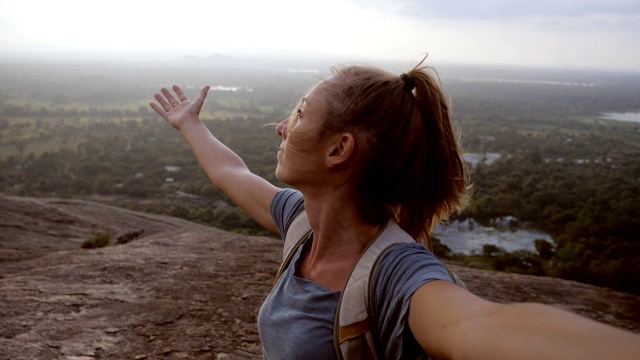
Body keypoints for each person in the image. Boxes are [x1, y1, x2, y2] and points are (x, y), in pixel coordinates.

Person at [150, 60, 640, 360]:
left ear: (339, 150)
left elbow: (478, 328)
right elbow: (232, 174)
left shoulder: (396, 276)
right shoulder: (301, 222)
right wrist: (190, 125)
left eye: (299, 114)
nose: (281, 126)